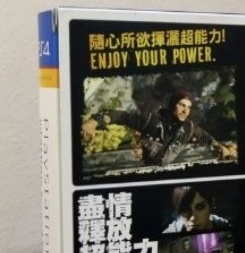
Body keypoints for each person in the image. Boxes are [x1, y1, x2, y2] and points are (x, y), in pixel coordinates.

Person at [81, 88, 236, 166]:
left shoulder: (188, 128)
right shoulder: (150, 120)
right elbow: (120, 116)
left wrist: (221, 147)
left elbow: (207, 138)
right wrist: (94, 122)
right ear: (173, 105)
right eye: (182, 105)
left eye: (188, 107)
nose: (185, 110)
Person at [163, 185, 231, 233]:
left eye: (200, 207)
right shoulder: (171, 232)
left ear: (211, 204)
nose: (193, 218)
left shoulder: (224, 227)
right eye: (185, 210)